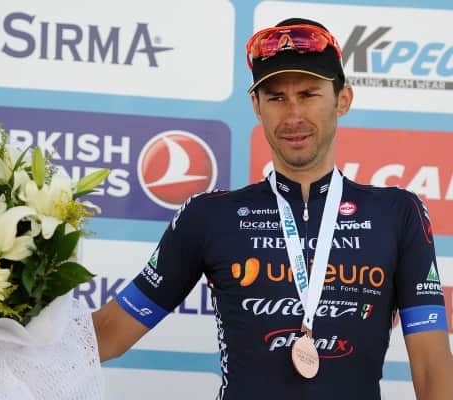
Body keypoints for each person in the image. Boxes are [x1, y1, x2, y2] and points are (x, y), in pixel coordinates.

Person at [92, 17, 453, 399]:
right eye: (276, 98)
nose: (293, 116)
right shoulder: (209, 215)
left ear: (343, 99)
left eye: (308, 94)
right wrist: (39, 302)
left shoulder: (397, 213)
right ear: (257, 105)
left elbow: (432, 367)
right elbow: (110, 333)